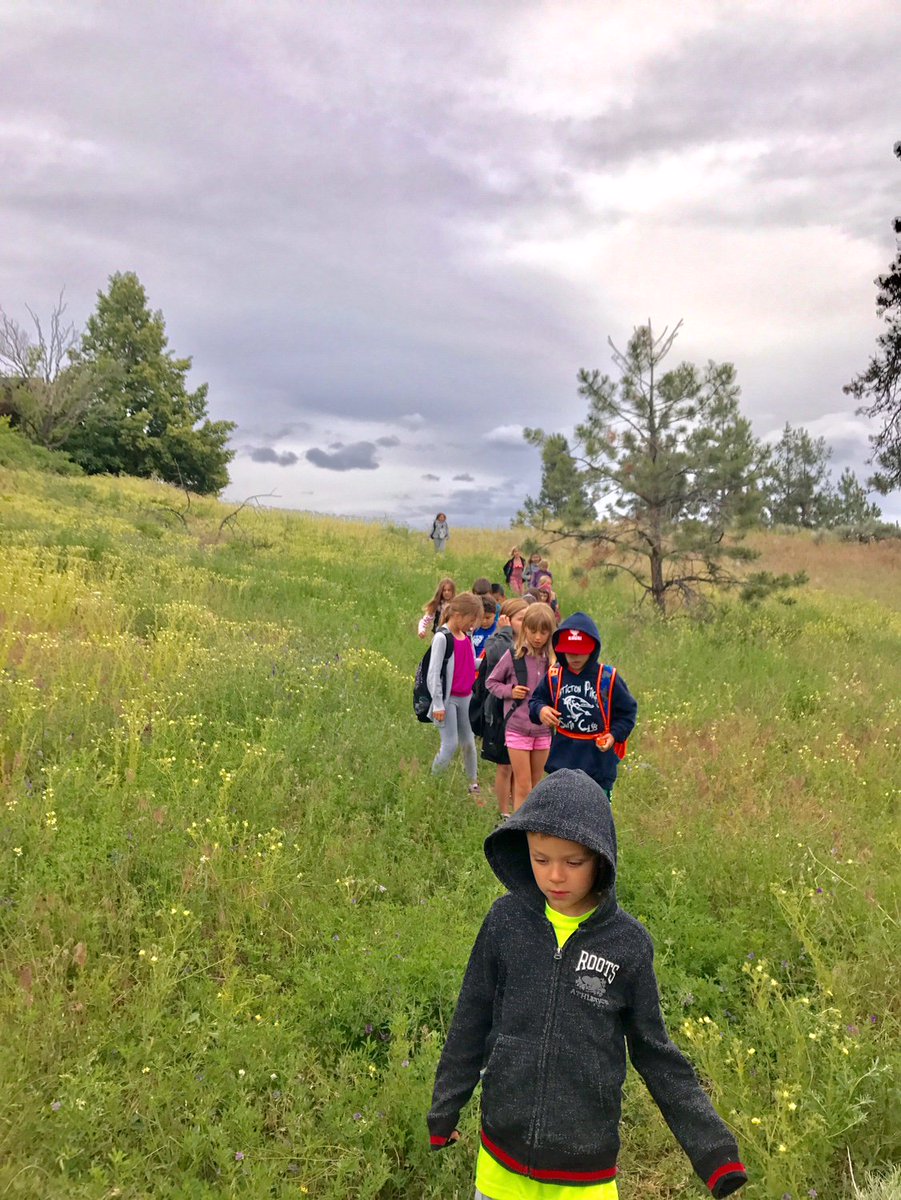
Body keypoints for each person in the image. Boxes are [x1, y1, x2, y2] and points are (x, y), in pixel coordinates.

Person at [427, 770, 748, 1200]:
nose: (555, 876)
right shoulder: (505, 923)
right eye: (541, 859)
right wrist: (445, 1110)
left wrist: (714, 1153)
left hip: (584, 1174)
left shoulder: (627, 945)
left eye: (573, 862)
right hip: (500, 1161)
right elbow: (471, 1018)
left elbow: (656, 1054)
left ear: (601, 858)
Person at [529, 613, 637, 802]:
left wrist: (613, 736)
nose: (574, 657)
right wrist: (541, 710)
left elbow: (627, 713)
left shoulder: (608, 678)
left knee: (595, 820)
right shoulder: (554, 675)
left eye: (580, 652)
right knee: (560, 816)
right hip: (561, 761)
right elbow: (536, 700)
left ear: (593, 649)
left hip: (598, 764)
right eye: (569, 652)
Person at [486, 602, 557, 810]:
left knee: (536, 787)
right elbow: (491, 682)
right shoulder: (514, 656)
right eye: (532, 631)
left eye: (543, 632)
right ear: (524, 628)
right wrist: (510, 691)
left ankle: (531, 833)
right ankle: (518, 834)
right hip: (517, 728)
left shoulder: (553, 662)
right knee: (523, 785)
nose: (537, 637)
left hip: (543, 731)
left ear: (550, 633)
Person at [428, 591, 484, 795]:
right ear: (458, 614)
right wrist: (438, 704)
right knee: (450, 744)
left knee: (469, 743)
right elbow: (433, 672)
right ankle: (432, 783)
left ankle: (473, 784)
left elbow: (471, 663)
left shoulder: (466, 636)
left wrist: (490, 663)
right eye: (470, 620)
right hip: (448, 700)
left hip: (466, 697)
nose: (472, 626)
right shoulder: (442, 638)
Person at [477, 598, 528, 819]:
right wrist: (504, 631)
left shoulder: (531, 643)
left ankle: (517, 805)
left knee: (520, 767)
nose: (525, 623)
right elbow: (499, 657)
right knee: (505, 766)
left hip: (523, 714)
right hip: (499, 714)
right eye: (520, 619)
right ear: (507, 619)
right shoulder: (497, 641)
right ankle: (503, 813)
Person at [471, 595, 499, 660]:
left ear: (495, 614)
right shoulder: (472, 630)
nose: (484, 621)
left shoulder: (498, 629)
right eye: (481, 617)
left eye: (488, 618)